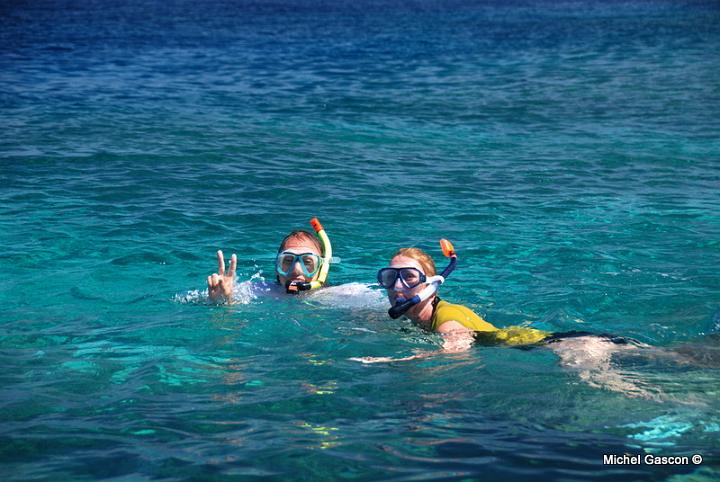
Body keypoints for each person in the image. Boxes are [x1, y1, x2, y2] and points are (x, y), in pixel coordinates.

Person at [207, 218, 332, 302]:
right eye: (288, 261)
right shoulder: (259, 290)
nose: (297, 270)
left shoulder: (340, 295)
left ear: (321, 268)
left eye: (307, 262)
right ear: (277, 268)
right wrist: (223, 300)